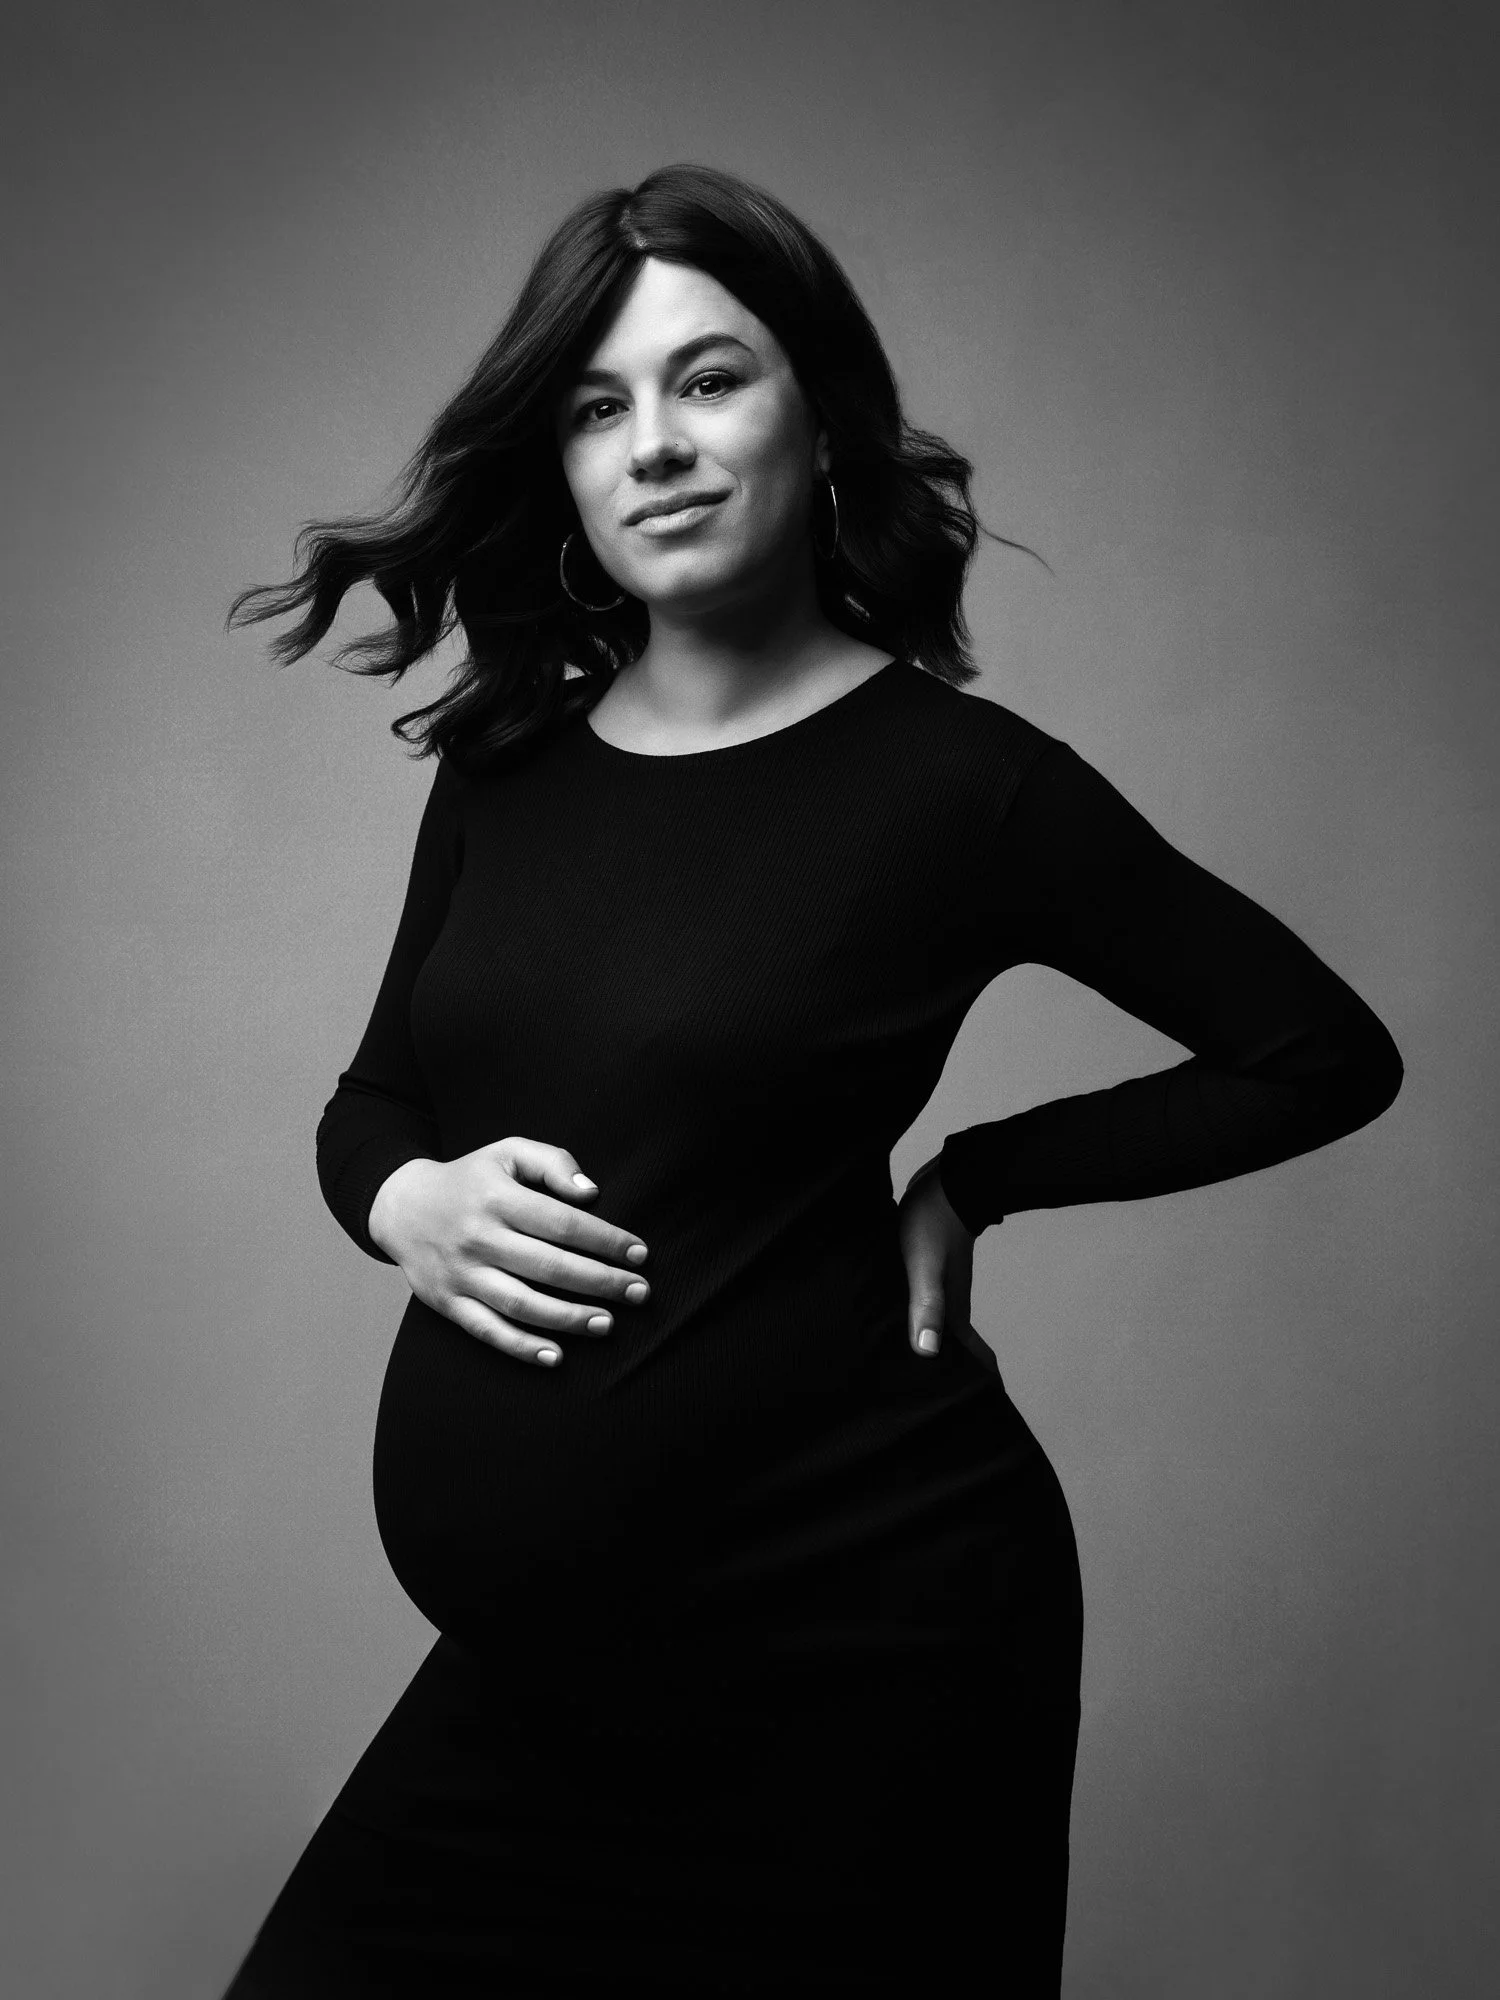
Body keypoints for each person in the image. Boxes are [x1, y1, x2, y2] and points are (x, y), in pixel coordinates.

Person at [219, 163, 1402, 1997]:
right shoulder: (511, 768)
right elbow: (369, 1098)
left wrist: (977, 1175)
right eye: (600, 407)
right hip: (555, 1696)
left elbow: (1321, 1053)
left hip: (863, 1657)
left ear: (817, 417)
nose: (656, 447)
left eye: (711, 380)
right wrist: (408, 1203)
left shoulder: (959, 785)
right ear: (560, 467)